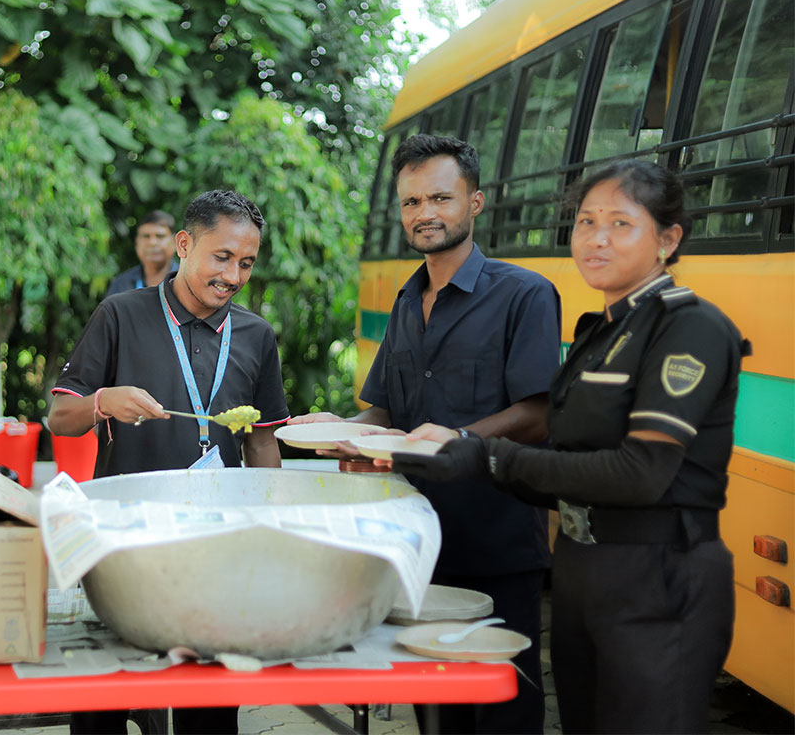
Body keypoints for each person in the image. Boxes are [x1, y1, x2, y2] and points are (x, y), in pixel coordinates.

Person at [392, 160, 744, 733]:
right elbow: (565, 464)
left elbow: (642, 472)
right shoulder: (598, 334)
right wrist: (460, 459)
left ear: (668, 239)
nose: (597, 238)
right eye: (586, 222)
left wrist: (484, 454)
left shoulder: (690, 328)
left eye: (620, 223)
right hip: (583, 569)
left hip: (656, 575)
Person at [289, 134, 559, 734]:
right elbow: (387, 413)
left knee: (504, 711)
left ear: (475, 202)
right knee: (435, 712)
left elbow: (540, 412)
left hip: (496, 544)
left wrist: (458, 438)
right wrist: (343, 428)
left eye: (440, 198)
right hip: (414, 545)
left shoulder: (525, 294)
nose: (424, 213)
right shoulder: (407, 302)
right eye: (412, 202)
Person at [49, 189, 290, 735]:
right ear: (184, 245)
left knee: (209, 711)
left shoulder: (256, 335)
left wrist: (271, 528)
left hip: (217, 550)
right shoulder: (120, 314)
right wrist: (102, 401)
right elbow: (60, 418)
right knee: (105, 703)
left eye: (246, 263)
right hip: (124, 547)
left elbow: (261, 442)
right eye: (221, 257)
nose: (232, 276)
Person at [105, 209, 179, 297]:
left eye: (160, 236)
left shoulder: (186, 281)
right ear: (137, 243)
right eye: (146, 236)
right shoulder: (121, 284)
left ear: (175, 242)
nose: (152, 243)